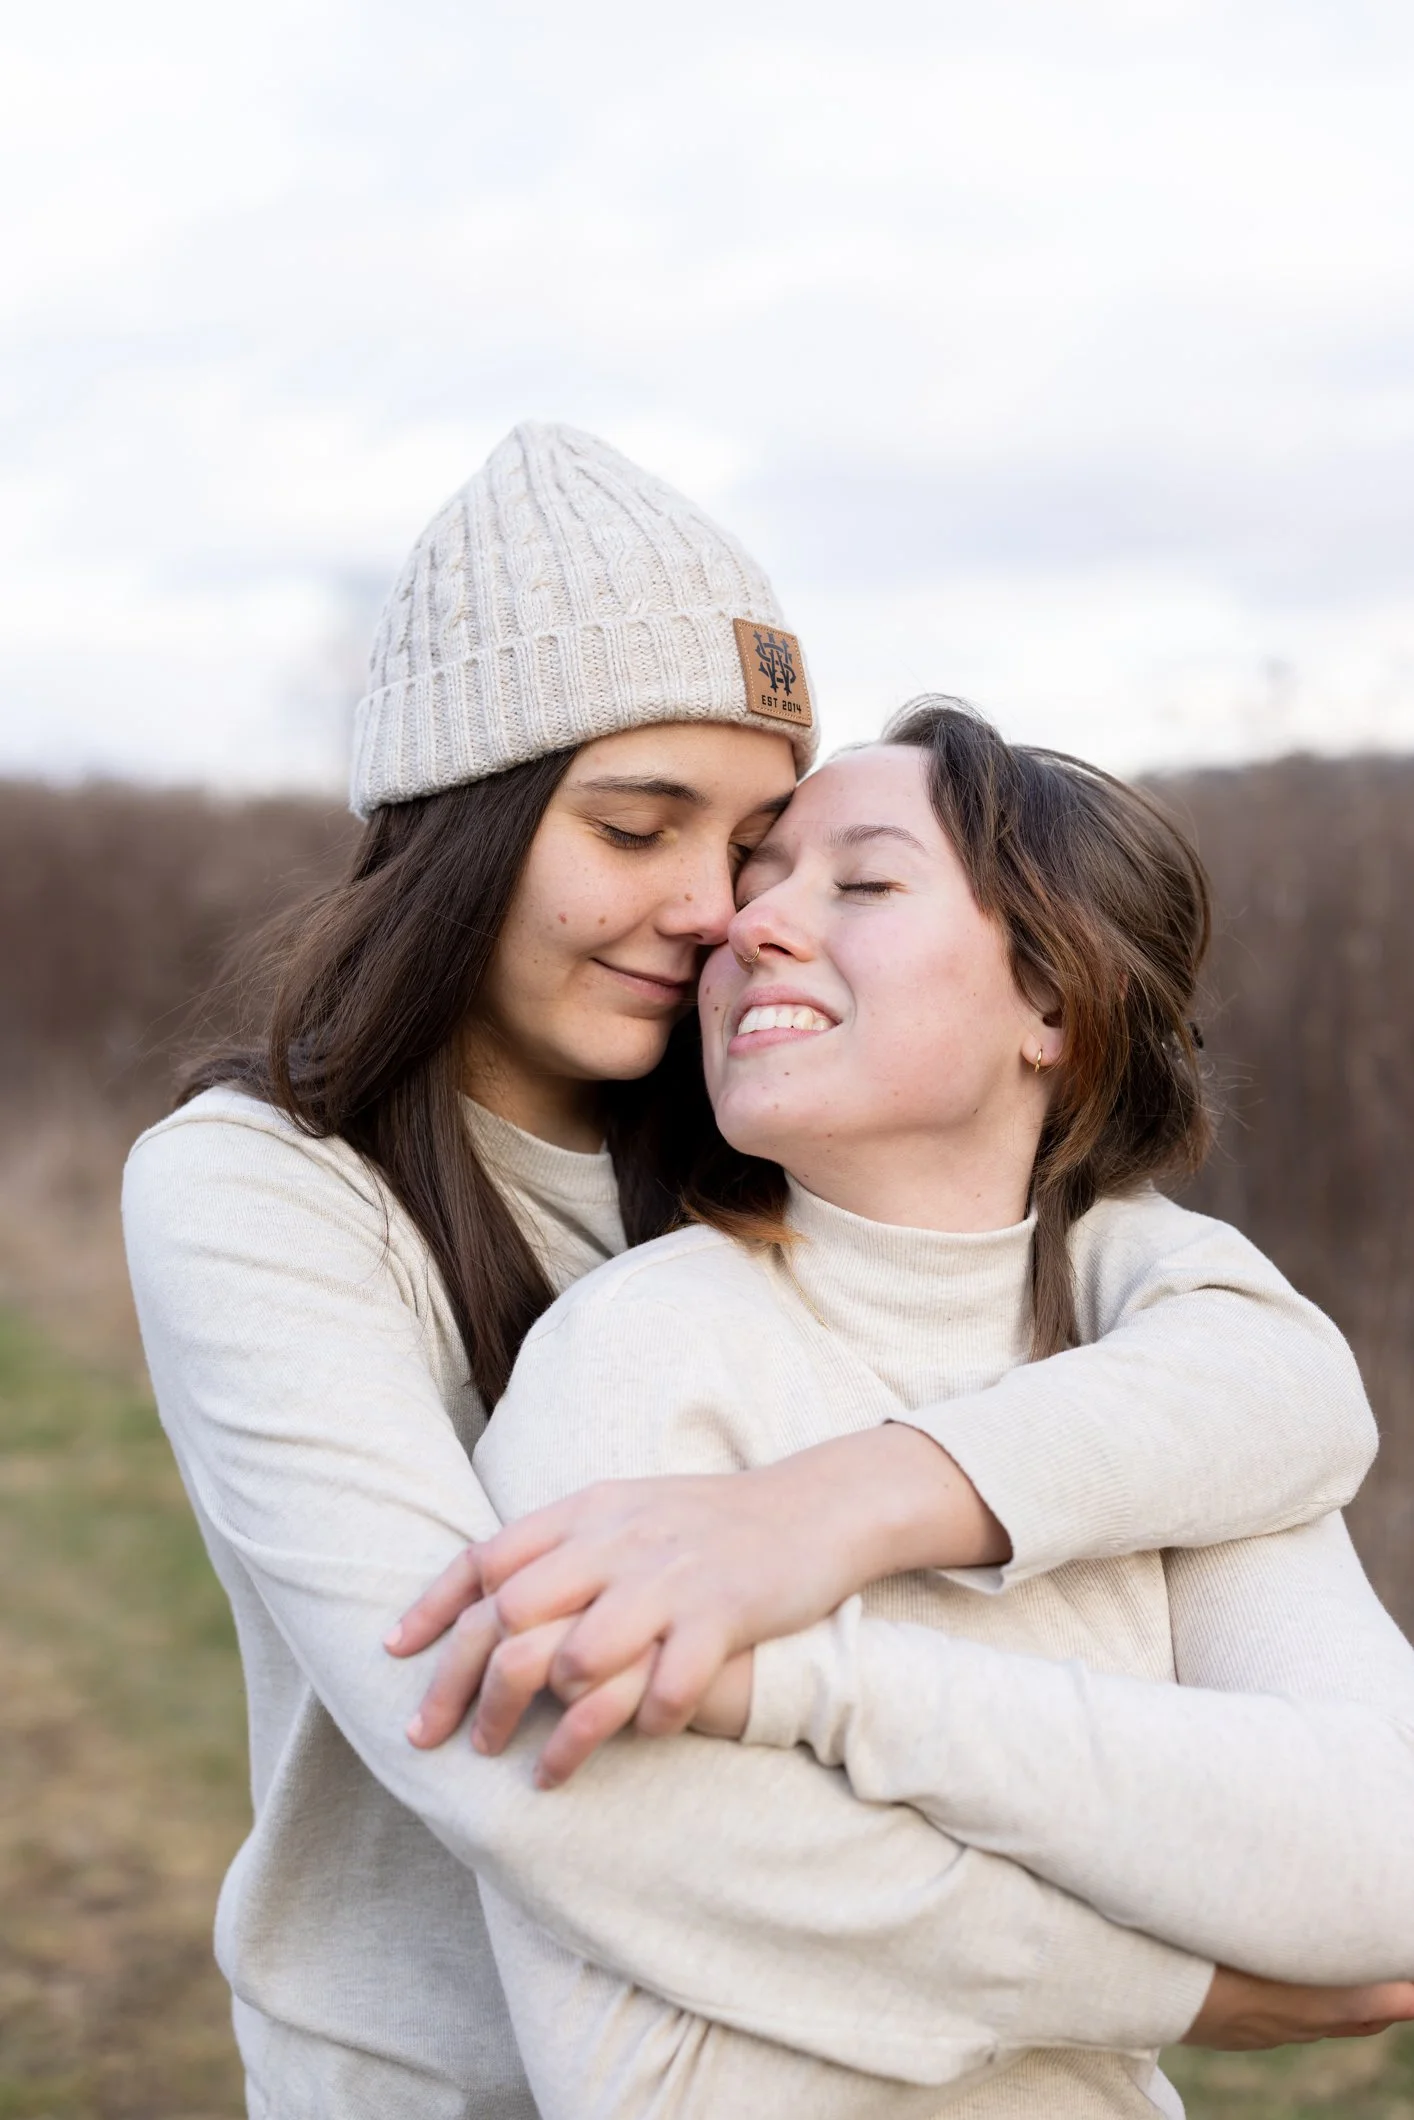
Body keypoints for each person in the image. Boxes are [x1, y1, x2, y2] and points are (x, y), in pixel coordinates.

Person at [122, 424, 1384, 2120]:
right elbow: (500, 1746)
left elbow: (1279, 1385)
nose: (717, 910)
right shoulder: (262, 1191)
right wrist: (1165, 1982)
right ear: (459, 831)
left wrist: (844, 1506)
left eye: (759, 847)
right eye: (636, 831)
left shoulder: (798, 1141)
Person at [449, 700, 1414, 2118]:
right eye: (762, 880)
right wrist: (1164, 1859)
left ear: (1054, 1006)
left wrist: (806, 1685)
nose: (746, 927)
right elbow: (643, 2065)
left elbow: (1376, 1866)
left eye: (862, 882)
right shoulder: (638, 1353)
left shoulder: (1161, 1359)